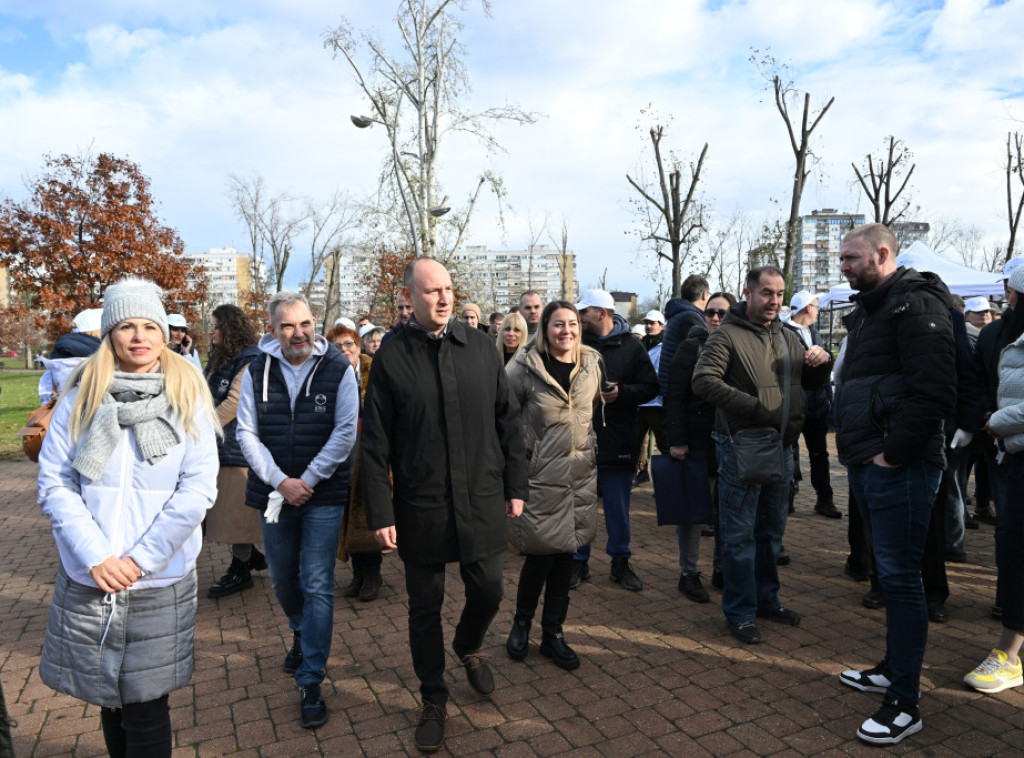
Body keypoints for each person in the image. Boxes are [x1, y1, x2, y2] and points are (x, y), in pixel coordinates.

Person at [37, 277, 219, 758]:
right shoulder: (80, 397)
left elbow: (197, 491)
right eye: (126, 326)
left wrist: (139, 560)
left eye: (148, 326)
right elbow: (55, 482)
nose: (139, 336)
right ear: (109, 334)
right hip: (92, 577)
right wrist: (98, 556)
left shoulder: (189, 398)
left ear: (163, 333)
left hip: (158, 580)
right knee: (110, 698)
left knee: (145, 705)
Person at [361, 257, 528, 754]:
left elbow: (508, 423)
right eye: (431, 291)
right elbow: (374, 444)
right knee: (423, 609)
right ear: (408, 298)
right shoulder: (392, 356)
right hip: (422, 505)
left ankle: (469, 645)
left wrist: (515, 484)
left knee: (490, 590)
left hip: (480, 497)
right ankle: (433, 697)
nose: (443, 298)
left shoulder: (481, 348)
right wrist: (381, 512)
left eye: (449, 289)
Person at [833, 223, 956, 746]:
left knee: (903, 579)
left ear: (883, 254)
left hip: (898, 465)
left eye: (852, 258)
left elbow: (935, 392)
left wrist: (892, 454)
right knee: (889, 573)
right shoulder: (873, 307)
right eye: (842, 259)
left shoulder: (916, 304)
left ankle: (905, 702)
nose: (844, 266)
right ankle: (891, 668)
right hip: (869, 459)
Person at [237, 292, 359, 729]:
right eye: (287, 326)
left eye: (305, 323)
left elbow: (345, 432)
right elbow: (246, 432)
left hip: (322, 494)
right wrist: (280, 481)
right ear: (272, 330)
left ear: (315, 324)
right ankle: (300, 629)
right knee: (282, 577)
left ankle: (311, 678)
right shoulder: (257, 369)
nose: (299, 333)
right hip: (274, 493)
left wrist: (307, 480)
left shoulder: (338, 369)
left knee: (318, 582)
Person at [692, 267, 832, 646]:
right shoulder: (726, 337)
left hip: (784, 447)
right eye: (766, 293)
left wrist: (822, 363)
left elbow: (808, 383)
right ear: (747, 293)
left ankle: (767, 599)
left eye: (779, 293)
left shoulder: (788, 336)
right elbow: (703, 381)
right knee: (739, 535)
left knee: (771, 532)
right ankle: (739, 612)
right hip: (741, 445)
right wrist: (754, 407)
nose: (774, 300)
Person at [506, 301, 602, 670]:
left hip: (579, 475)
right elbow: (504, 419)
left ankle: (553, 634)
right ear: (545, 328)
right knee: (540, 554)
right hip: (539, 477)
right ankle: (521, 624)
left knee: (567, 555)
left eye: (573, 324)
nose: (567, 331)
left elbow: (591, 412)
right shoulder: (523, 368)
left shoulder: (592, 364)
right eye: (558, 324)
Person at [570, 289, 659, 592]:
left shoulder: (632, 349)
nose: (579, 318)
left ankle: (620, 562)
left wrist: (622, 394)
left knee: (617, 508)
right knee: (580, 505)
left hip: (620, 438)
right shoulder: (576, 345)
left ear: (602, 313)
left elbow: (650, 387)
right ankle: (578, 561)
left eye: (584, 312)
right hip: (580, 440)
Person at [964, 263, 1024, 695]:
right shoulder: (1000, 337)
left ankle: (1009, 653)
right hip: (1013, 458)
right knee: (1012, 544)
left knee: (1018, 551)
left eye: (1011, 295)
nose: (1005, 304)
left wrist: (998, 420)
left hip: (1012, 448)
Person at [664, 292, 736, 602]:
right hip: (696, 441)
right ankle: (689, 573)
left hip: (732, 443)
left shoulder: (740, 346)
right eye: (710, 313)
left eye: (722, 313)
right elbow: (674, 395)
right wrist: (676, 440)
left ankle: (722, 569)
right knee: (692, 513)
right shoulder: (690, 347)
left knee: (728, 513)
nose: (716, 318)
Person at [204, 304, 266, 599]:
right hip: (220, 446)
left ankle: (240, 569)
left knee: (235, 516)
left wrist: (199, 430)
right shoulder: (221, 359)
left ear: (229, 329)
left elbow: (233, 404)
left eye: (215, 325)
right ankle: (250, 556)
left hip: (237, 449)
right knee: (229, 514)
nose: (210, 330)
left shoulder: (249, 360)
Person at [327, 323, 385, 602]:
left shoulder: (373, 371)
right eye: (337, 346)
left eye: (349, 343)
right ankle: (359, 574)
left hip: (369, 449)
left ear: (358, 346)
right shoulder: (329, 375)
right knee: (349, 514)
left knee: (367, 514)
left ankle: (372, 574)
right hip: (342, 453)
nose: (344, 350)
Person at [783, 292, 838, 518]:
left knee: (819, 454)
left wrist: (827, 398)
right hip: (794, 405)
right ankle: (786, 501)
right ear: (807, 308)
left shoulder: (814, 332)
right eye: (816, 306)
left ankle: (824, 500)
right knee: (788, 453)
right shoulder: (783, 333)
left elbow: (823, 372)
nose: (818, 310)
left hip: (816, 406)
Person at [659, 274, 710, 398]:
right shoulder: (690, 318)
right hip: (680, 393)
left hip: (671, 388)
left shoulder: (679, 313)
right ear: (704, 295)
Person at [37, 308, 103, 403]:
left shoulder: (58, 358)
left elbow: (46, 396)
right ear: (96, 331)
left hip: (61, 415)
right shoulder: (102, 359)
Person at [633, 309, 668, 487]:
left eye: (652, 323)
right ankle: (639, 473)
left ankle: (668, 482)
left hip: (657, 403)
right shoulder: (640, 344)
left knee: (664, 444)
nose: (648, 326)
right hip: (640, 402)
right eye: (647, 323)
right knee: (635, 442)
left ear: (662, 326)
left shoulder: (667, 346)